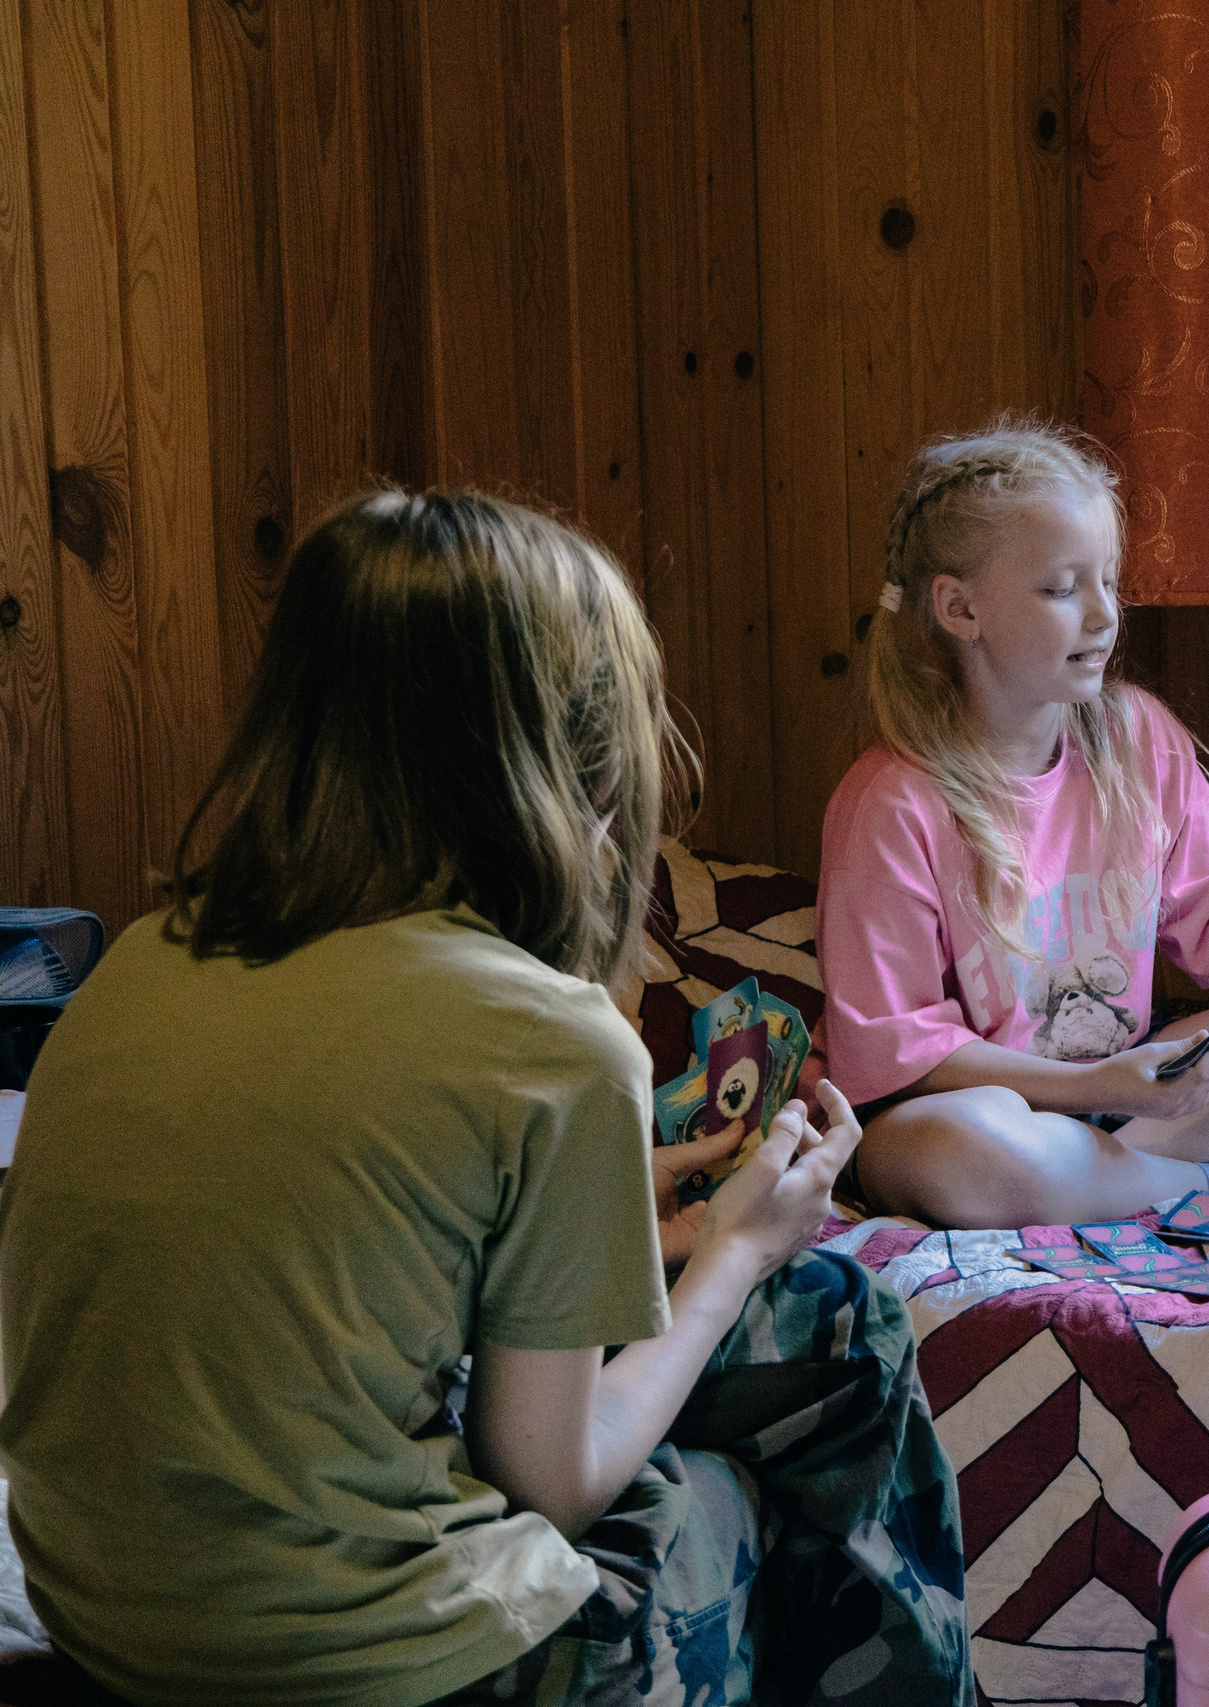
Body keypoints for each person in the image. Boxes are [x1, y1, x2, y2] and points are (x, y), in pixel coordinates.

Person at [0, 494, 971, 1705]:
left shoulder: (145, 959)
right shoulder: (544, 1039)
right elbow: (549, 1477)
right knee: (801, 1369)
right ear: (578, 753)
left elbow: (332, 1260)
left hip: (111, 1623)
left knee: (798, 1316)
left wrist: (612, 1218)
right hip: (387, 1664)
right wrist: (732, 1252)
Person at [818, 418, 1209, 1228]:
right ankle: (1208, 1185)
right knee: (960, 1151)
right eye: (1063, 588)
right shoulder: (892, 805)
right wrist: (1092, 1089)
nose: (1104, 615)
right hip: (971, 1109)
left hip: (1122, 1093)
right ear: (960, 608)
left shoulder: (1132, 736)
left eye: (1108, 580)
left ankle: (1120, 1176)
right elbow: (903, 1058)